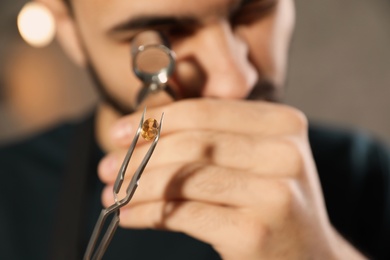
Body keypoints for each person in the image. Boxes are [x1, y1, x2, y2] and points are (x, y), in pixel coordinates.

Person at [0, 0, 389, 259]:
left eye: (252, 11)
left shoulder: (367, 174)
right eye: (165, 29)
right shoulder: (8, 190)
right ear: (67, 28)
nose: (234, 80)